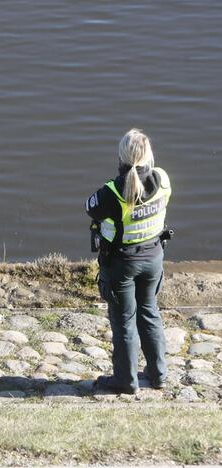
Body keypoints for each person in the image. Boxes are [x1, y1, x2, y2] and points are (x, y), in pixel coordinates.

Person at [86, 128, 172, 394]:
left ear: (121, 157)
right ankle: (158, 375)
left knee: (124, 320)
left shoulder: (111, 192)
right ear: (149, 155)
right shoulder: (164, 180)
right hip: (154, 258)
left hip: (121, 264)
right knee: (149, 313)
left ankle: (125, 381)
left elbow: (90, 208)